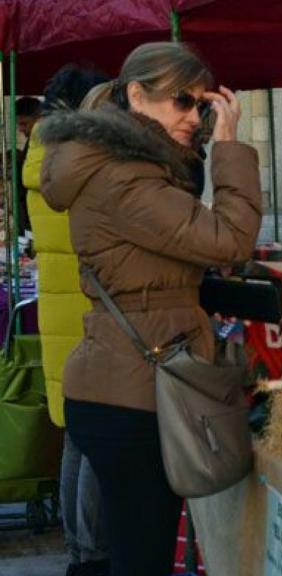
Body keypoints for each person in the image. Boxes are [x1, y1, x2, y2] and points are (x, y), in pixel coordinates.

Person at [37, 42, 262, 575]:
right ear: (136, 94)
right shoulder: (125, 177)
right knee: (142, 558)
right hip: (136, 389)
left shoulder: (127, 166)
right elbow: (230, 239)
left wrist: (201, 145)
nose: (195, 116)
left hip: (125, 380)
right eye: (182, 102)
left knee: (128, 551)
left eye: (202, 106)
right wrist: (229, 145)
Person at [22, 65, 111, 576]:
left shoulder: (41, 152)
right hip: (84, 307)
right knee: (92, 433)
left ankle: (79, 548)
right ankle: (90, 552)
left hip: (60, 310)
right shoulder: (76, 157)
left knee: (77, 433)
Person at [14, 96, 42, 234]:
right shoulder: (31, 143)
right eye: (18, 124)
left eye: (24, 124)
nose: (20, 129)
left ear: (39, 118)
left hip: (39, 222)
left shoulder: (45, 144)